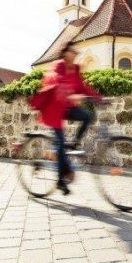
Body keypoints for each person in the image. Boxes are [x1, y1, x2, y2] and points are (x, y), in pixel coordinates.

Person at [30, 41, 101, 195]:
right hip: (54, 109)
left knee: (88, 116)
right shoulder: (58, 65)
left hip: (68, 107)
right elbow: (56, 80)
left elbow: (83, 86)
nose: (75, 54)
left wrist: (99, 98)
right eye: (72, 51)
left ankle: (74, 143)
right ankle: (61, 181)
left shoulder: (75, 69)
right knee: (60, 144)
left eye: (75, 51)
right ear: (65, 52)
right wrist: (70, 93)